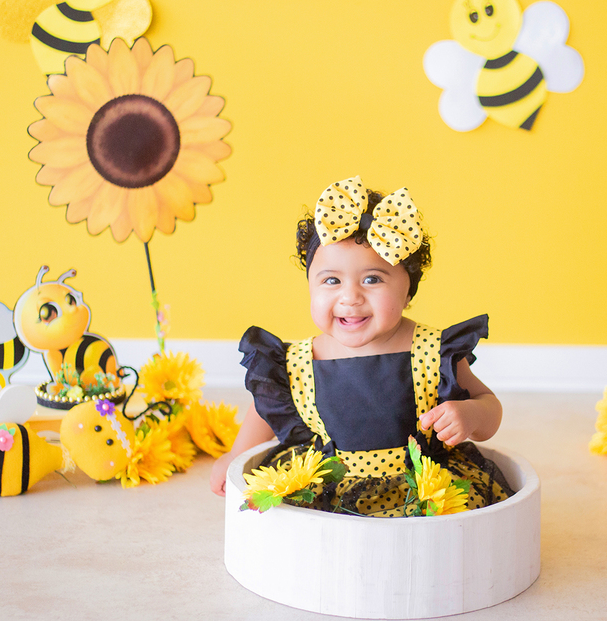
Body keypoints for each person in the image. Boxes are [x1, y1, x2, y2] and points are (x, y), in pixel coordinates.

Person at [209, 175, 509, 516]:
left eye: (372, 279)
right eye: (331, 280)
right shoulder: (296, 361)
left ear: (408, 291)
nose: (350, 297)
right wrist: (236, 455)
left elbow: (490, 407)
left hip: (424, 487)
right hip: (330, 488)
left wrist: (470, 414)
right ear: (310, 286)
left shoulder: (433, 351)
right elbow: (262, 411)